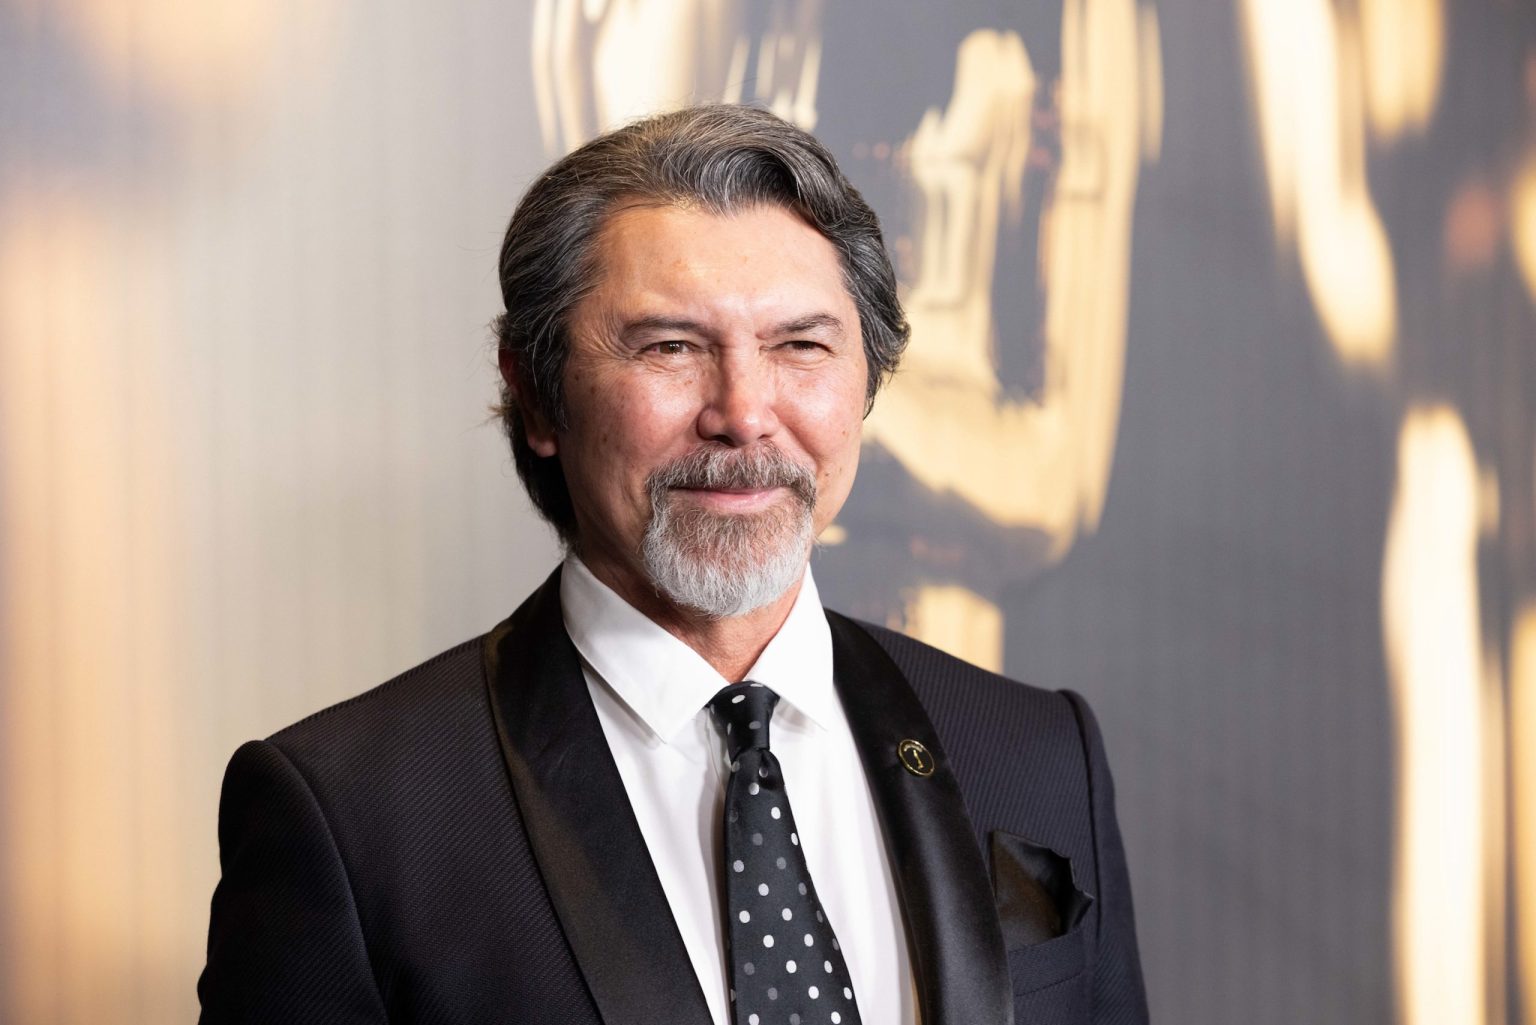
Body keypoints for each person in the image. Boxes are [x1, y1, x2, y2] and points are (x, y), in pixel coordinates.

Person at [198, 103, 1148, 1025]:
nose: (743, 411)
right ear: (533, 396)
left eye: (800, 345)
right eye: (671, 347)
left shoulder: (1036, 753)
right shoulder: (353, 818)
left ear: (867, 381)